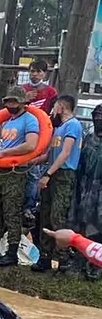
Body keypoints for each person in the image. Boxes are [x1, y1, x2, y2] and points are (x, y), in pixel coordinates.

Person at [0, 87, 42, 267]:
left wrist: (4, 153)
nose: (10, 105)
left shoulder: (30, 120)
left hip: (15, 171)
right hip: (0, 171)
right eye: (8, 101)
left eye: (14, 101)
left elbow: (31, 145)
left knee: (12, 211)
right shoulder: (8, 121)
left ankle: (12, 252)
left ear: (22, 102)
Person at [32, 94, 82, 274]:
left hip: (62, 174)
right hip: (51, 172)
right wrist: (30, 161)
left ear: (61, 106)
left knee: (57, 216)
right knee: (44, 214)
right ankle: (44, 255)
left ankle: (63, 258)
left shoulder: (73, 125)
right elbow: (50, 154)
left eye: (55, 107)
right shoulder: (57, 128)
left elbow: (65, 153)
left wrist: (47, 173)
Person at [68, 105, 102, 280]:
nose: (98, 120)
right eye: (96, 116)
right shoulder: (89, 139)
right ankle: (79, 261)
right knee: (82, 224)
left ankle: (96, 266)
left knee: (98, 227)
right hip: (85, 187)